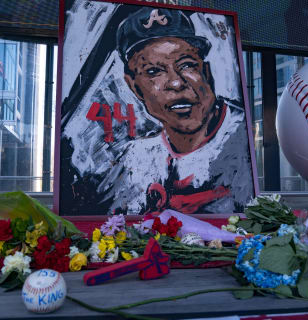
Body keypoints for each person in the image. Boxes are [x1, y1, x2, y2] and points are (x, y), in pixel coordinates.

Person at [93, 7, 254, 215]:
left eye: (187, 65)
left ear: (205, 71)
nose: (177, 82)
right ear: (134, 87)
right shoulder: (137, 158)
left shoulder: (241, 137)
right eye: (154, 71)